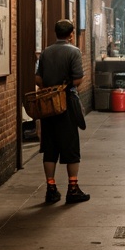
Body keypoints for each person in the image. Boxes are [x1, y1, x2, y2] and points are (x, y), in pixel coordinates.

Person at [35, 18, 89, 204]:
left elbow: (38, 79)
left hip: (48, 105)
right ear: (71, 34)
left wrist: (50, 87)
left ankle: (51, 189)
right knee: (71, 147)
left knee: (49, 147)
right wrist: (63, 86)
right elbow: (78, 79)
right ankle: (72, 189)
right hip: (66, 103)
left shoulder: (45, 52)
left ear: (56, 33)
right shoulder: (74, 52)